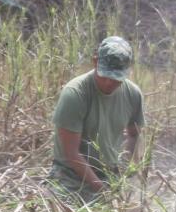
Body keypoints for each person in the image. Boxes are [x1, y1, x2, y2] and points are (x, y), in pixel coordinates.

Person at [49, 35, 144, 203]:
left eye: (115, 78)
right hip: (70, 177)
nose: (108, 83)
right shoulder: (75, 93)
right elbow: (71, 153)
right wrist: (102, 190)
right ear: (95, 62)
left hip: (108, 176)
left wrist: (124, 173)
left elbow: (134, 134)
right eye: (104, 76)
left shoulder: (133, 95)